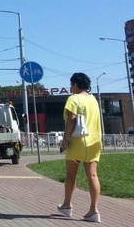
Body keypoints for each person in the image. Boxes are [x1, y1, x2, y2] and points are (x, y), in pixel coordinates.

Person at [57, 72, 102, 223]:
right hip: (94, 141)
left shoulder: (73, 99)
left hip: (78, 142)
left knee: (71, 175)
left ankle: (67, 205)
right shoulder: (93, 99)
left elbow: (71, 120)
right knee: (93, 175)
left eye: (71, 84)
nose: (70, 87)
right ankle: (94, 210)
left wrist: (65, 140)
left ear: (75, 84)